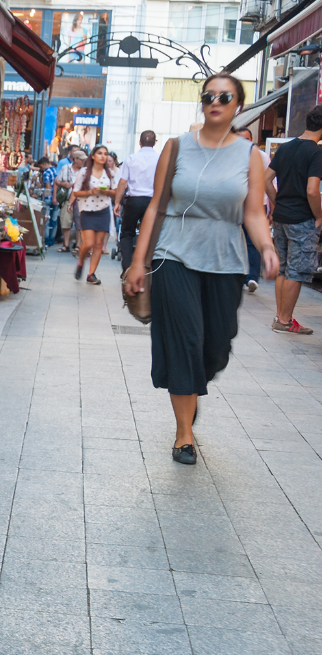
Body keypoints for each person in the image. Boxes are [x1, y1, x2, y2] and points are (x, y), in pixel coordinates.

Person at [124, 73, 278, 466]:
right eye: (208, 95)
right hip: (174, 253)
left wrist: (267, 246)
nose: (215, 101)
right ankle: (183, 434)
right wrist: (138, 262)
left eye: (224, 96)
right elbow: (156, 205)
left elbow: (253, 211)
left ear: (237, 107)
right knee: (184, 339)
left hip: (226, 261)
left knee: (215, 347)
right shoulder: (176, 148)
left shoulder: (250, 157)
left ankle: (192, 388)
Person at [265, 106, 322, 333]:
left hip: (281, 217)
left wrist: (278, 203)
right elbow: (312, 190)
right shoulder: (316, 153)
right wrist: (318, 215)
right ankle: (286, 320)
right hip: (302, 220)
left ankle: (281, 317)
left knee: (284, 269)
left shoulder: (286, 148)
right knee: (296, 272)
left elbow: (267, 180)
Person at [114, 130, 161, 273]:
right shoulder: (160, 158)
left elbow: (122, 182)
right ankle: (149, 267)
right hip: (153, 201)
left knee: (127, 233)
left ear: (139, 143)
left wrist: (117, 202)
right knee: (152, 234)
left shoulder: (131, 158)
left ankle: (127, 268)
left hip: (134, 200)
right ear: (155, 142)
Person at [70, 144, 116, 284]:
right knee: (88, 243)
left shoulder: (110, 173)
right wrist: (90, 192)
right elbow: (75, 192)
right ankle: (81, 262)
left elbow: (115, 191)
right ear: (93, 156)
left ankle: (91, 274)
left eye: (105, 153)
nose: (103, 156)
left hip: (103, 210)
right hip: (87, 211)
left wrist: (106, 192)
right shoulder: (84, 172)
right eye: (100, 153)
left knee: (98, 245)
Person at [235, 127, 268, 293]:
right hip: (236, 203)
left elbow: (268, 181)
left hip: (256, 204)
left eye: (246, 139)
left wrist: (269, 205)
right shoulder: (231, 155)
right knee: (237, 239)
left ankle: (252, 277)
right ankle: (240, 275)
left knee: (253, 242)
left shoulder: (261, 157)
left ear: (252, 139)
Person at [55, 151, 85, 252]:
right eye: (81, 159)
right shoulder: (65, 168)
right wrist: (64, 184)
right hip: (67, 199)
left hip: (81, 201)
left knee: (80, 224)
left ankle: (78, 245)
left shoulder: (85, 171)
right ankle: (66, 244)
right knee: (66, 223)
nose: (83, 161)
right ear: (75, 159)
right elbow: (57, 181)